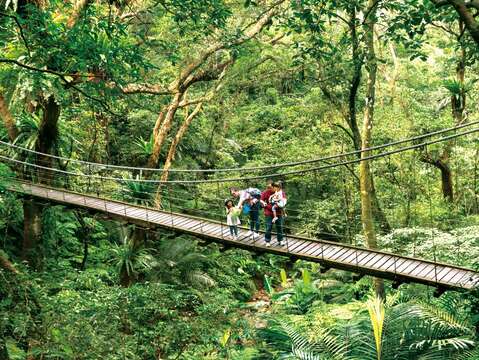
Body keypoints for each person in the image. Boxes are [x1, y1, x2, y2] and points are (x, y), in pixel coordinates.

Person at [260, 180, 285, 247]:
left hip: (278, 212)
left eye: (271, 187)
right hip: (268, 212)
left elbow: (283, 200)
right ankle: (267, 241)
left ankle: (280, 240)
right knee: (269, 227)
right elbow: (261, 200)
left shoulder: (280, 192)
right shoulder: (265, 192)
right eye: (268, 187)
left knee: (279, 227)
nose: (270, 188)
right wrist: (264, 204)